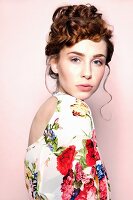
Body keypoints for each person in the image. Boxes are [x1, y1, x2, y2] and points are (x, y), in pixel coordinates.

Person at [24, 3, 114, 200]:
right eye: (75, 59)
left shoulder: (49, 108)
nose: (88, 73)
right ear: (54, 62)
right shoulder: (74, 110)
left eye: (97, 61)